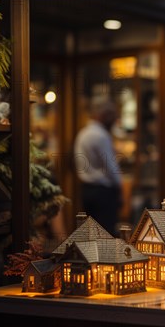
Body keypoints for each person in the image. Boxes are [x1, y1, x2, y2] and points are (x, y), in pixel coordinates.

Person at [74, 97, 123, 235]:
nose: (113, 119)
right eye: (111, 115)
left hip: (87, 190)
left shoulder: (83, 133)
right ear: (102, 115)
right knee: (106, 234)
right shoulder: (100, 135)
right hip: (103, 193)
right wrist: (120, 188)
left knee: (91, 234)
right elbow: (111, 168)